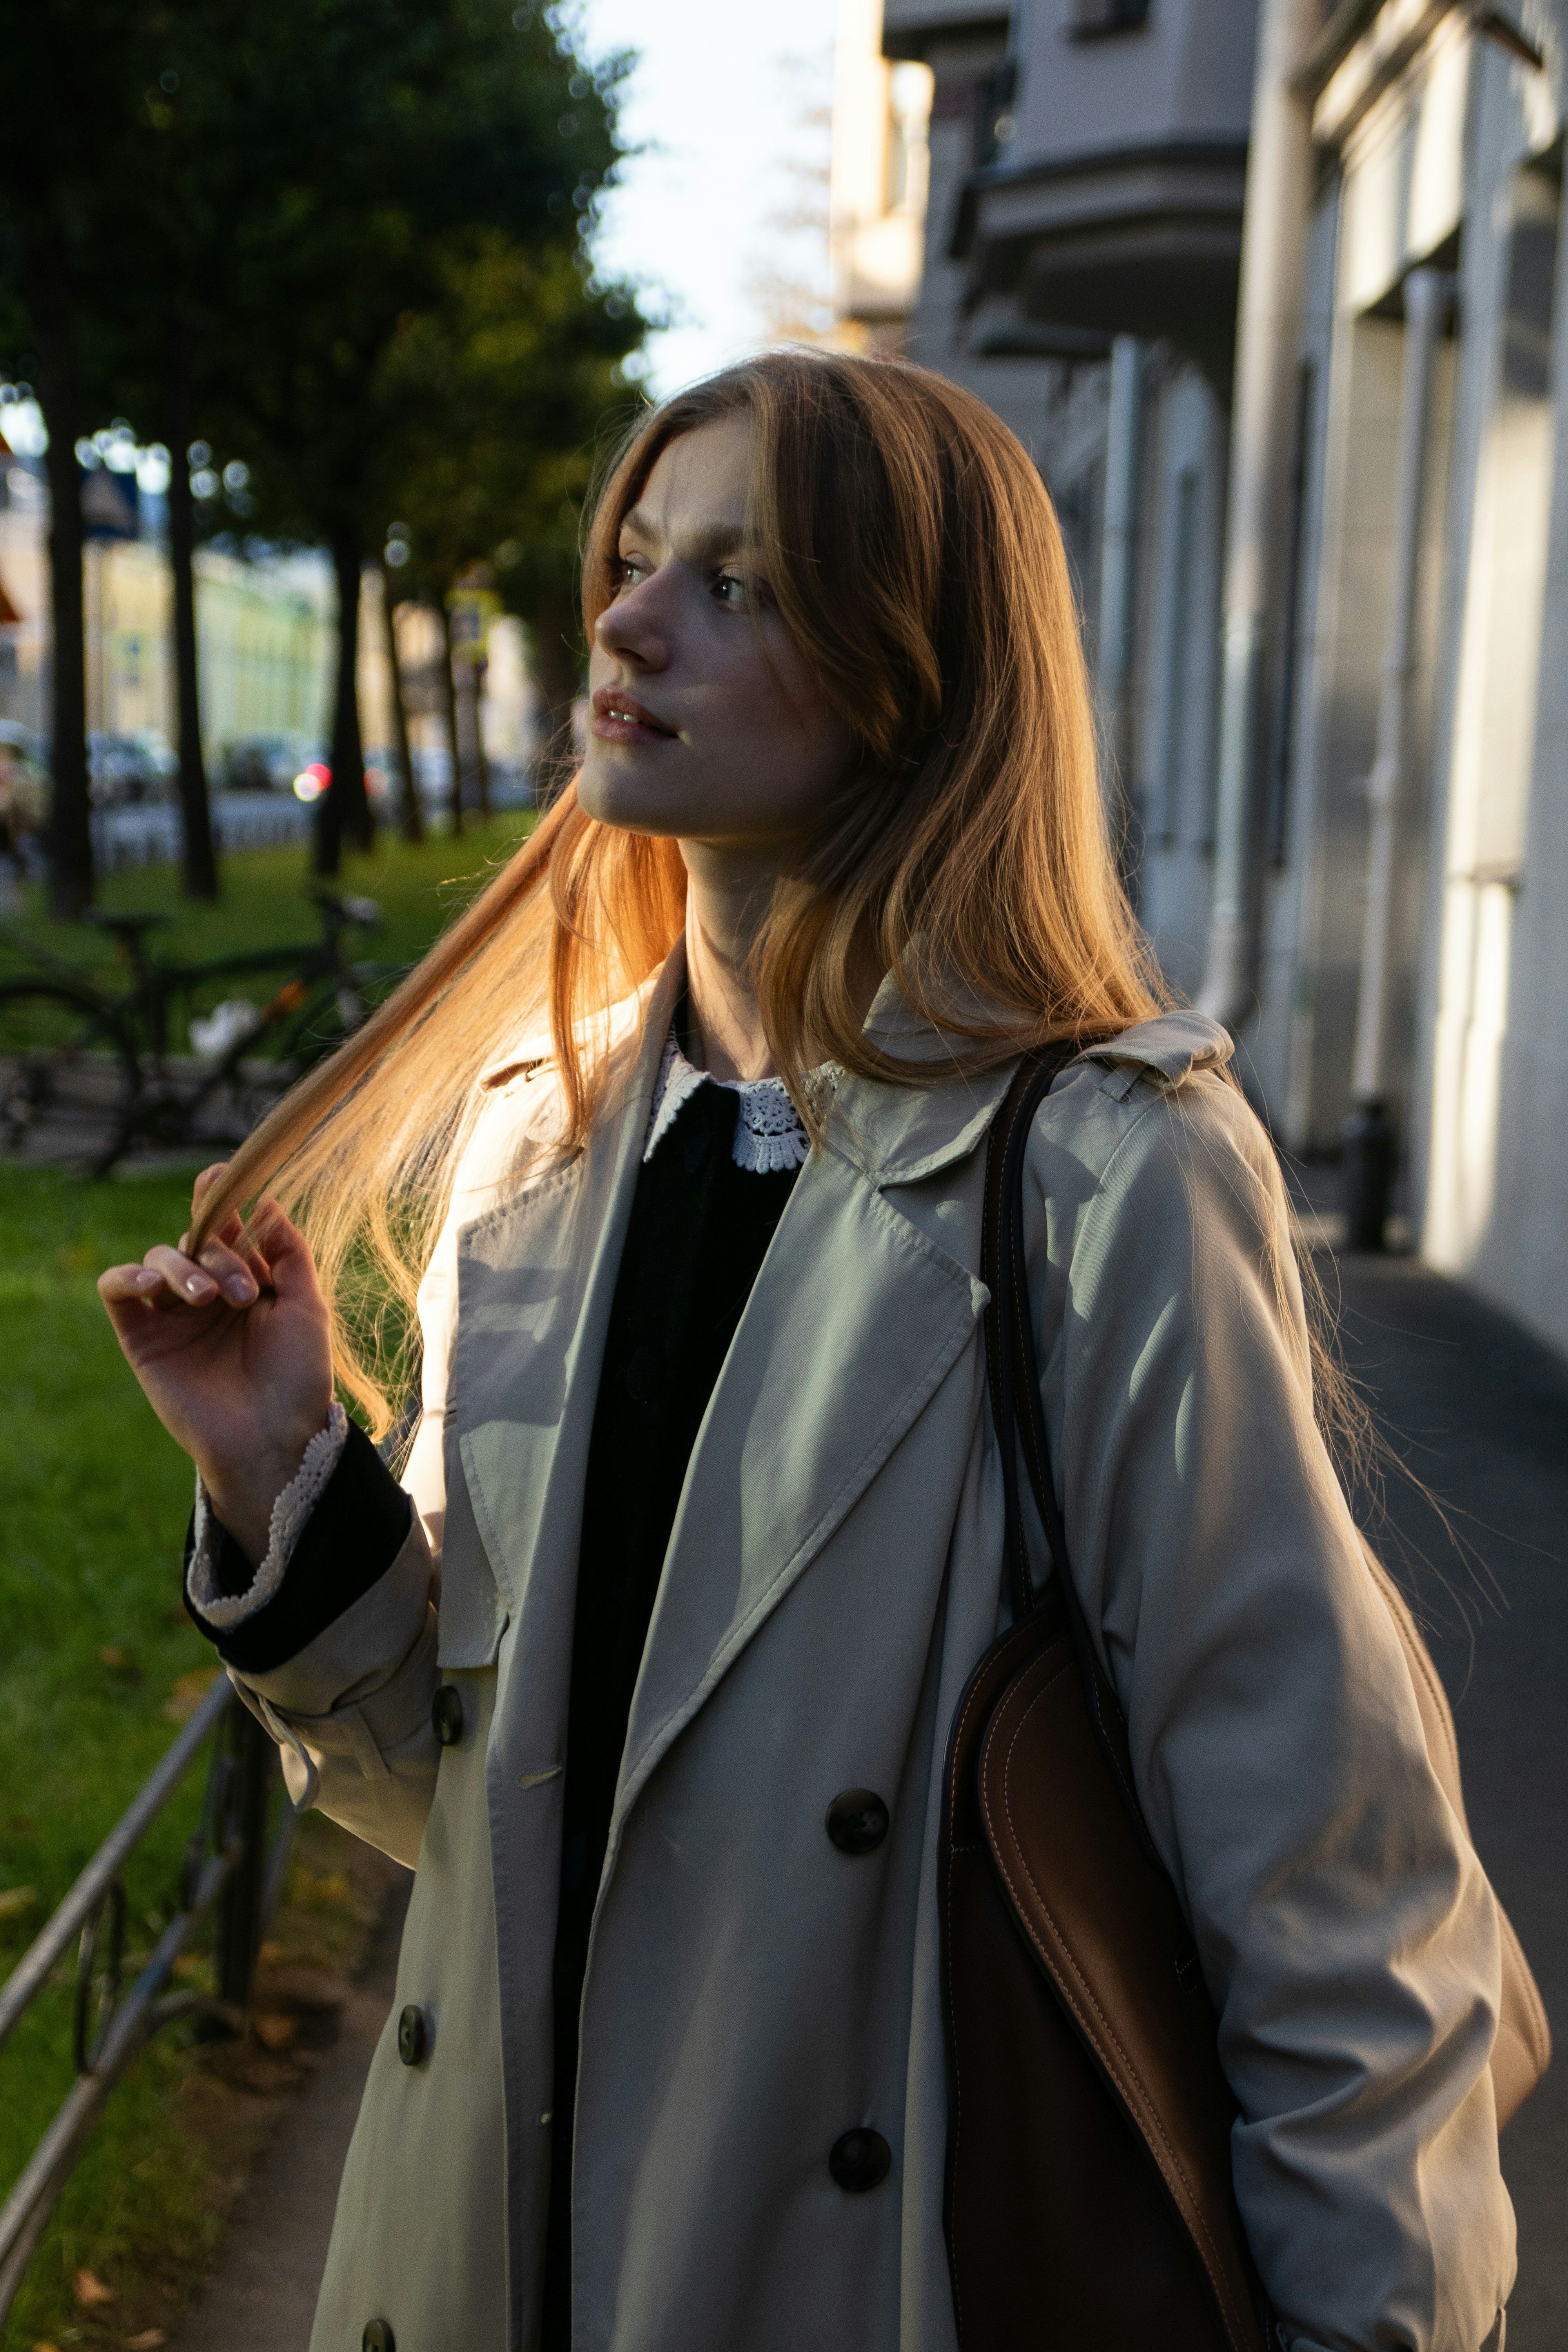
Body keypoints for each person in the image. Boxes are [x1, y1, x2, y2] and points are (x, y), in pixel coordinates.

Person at [100, 351, 1514, 2352]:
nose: (626, 623)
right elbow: (497, 1827)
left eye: (737, 585)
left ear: (914, 679)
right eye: (634, 559)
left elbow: (1338, 1902)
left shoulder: (1099, 1176)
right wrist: (279, 1478)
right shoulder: (539, 1146)